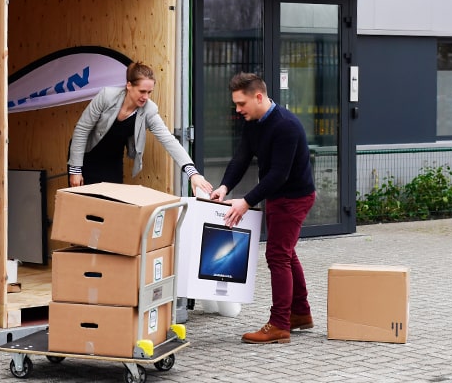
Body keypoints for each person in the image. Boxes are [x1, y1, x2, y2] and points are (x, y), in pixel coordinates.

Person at [209, 72, 316, 344]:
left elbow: (279, 174)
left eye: (241, 103)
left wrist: (246, 202)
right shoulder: (253, 122)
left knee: (278, 255)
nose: (238, 109)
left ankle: (280, 324)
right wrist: (224, 187)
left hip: (294, 197)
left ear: (258, 97)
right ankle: (300, 314)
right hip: (278, 196)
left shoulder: (286, 126)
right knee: (286, 253)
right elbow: (242, 157)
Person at [67, 61, 213, 196]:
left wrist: (192, 173)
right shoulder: (106, 96)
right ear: (129, 85)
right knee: (84, 205)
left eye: (149, 92)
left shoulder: (149, 110)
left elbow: (169, 140)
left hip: (112, 160)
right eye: (142, 91)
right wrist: (75, 169)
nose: (146, 97)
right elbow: (82, 129)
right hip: (86, 156)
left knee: (111, 208)